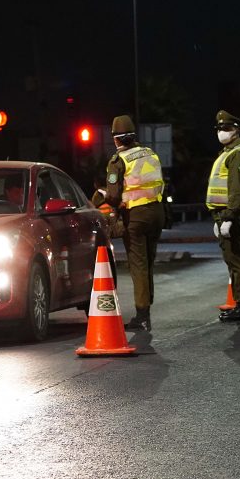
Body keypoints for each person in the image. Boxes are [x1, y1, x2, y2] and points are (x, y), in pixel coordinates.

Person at [104, 115, 165, 331]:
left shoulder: (118, 161)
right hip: (157, 213)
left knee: (138, 264)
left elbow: (112, 196)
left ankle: (142, 314)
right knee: (148, 261)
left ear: (116, 139)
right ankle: (147, 308)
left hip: (136, 216)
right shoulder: (150, 153)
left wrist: (106, 197)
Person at [206, 110, 240, 322]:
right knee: (232, 259)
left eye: (226, 129)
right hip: (225, 213)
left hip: (232, 214)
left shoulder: (238, 155)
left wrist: (228, 217)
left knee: (237, 260)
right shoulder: (227, 153)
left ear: (236, 130)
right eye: (219, 129)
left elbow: (236, 189)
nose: (221, 132)